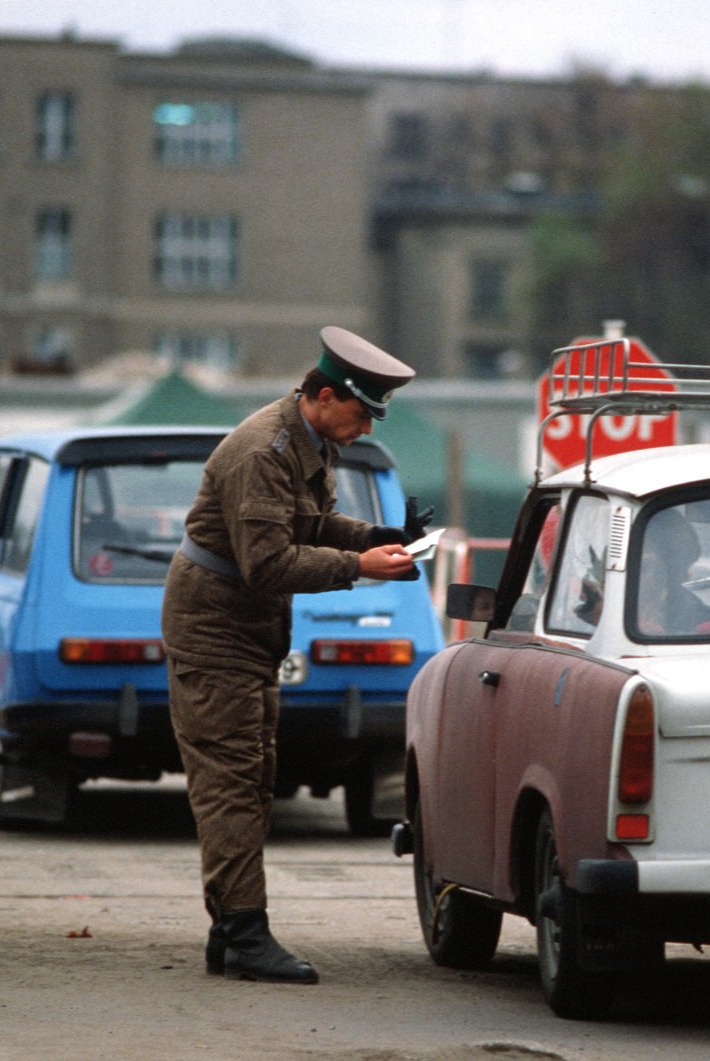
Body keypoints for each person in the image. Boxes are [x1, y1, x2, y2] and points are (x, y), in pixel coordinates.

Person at [161, 326, 429, 985]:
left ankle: (229, 931)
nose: (366, 427)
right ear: (327, 395)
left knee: (254, 778)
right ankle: (246, 933)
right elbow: (267, 560)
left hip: (247, 631)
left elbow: (303, 525)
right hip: (217, 626)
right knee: (230, 781)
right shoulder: (266, 449)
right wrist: (359, 564)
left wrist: (380, 537)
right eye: (362, 412)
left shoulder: (309, 440)